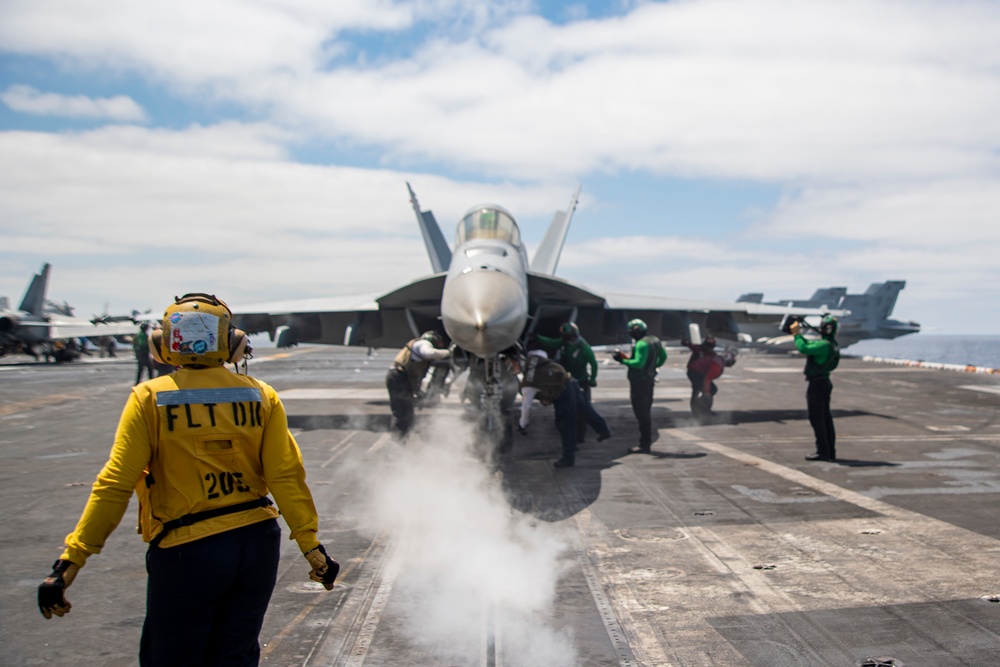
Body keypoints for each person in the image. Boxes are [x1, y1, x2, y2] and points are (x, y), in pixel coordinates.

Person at [36, 293, 339, 666]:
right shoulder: (262, 396)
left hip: (188, 552)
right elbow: (286, 476)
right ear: (233, 343)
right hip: (257, 544)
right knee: (236, 656)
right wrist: (312, 547)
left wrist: (70, 562)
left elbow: (115, 484)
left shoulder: (149, 398)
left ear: (164, 345)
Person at [519, 347, 611, 468]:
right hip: (571, 382)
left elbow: (526, 405)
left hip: (562, 392)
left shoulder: (528, 383)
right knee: (585, 411)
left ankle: (568, 458)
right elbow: (542, 352)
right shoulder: (536, 358)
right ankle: (604, 430)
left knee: (565, 424)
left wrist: (523, 424)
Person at [537, 322, 599, 442]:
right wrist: (537, 337)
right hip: (566, 382)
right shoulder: (564, 342)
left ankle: (580, 437)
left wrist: (592, 380)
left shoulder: (584, 347)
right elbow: (551, 342)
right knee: (565, 410)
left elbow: (594, 364)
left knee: (582, 410)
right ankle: (569, 434)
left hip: (581, 382)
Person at [790, 315, 840, 461]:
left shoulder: (823, 346)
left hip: (817, 385)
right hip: (824, 382)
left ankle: (823, 452)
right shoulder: (831, 344)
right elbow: (810, 347)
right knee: (825, 419)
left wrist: (796, 334)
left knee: (817, 419)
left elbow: (804, 348)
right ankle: (830, 451)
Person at [613, 318, 666, 454]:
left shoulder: (641, 344)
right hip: (649, 381)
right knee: (645, 412)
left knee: (642, 414)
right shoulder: (654, 340)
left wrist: (623, 360)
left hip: (639, 383)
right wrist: (653, 367)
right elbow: (663, 357)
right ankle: (645, 442)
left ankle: (645, 444)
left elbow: (638, 363)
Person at [386, 330, 451, 435]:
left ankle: (400, 440)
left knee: (406, 414)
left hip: (400, 379)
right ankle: (397, 442)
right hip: (398, 378)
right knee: (402, 414)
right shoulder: (422, 344)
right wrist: (449, 352)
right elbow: (430, 353)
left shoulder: (417, 349)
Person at [682, 336, 730, 422]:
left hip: (700, 373)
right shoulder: (700, 351)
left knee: (710, 390)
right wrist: (686, 342)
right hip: (694, 372)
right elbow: (707, 380)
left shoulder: (712, 355)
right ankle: (697, 412)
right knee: (697, 390)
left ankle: (705, 409)